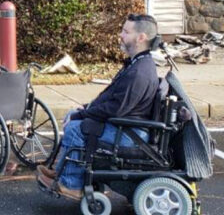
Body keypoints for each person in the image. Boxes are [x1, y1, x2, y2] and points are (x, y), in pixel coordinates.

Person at [36, 14, 161, 200]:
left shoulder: (139, 72)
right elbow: (111, 97)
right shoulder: (137, 64)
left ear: (141, 38)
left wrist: (83, 115)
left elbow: (116, 109)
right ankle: (63, 172)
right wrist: (85, 109)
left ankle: (71, 185)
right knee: (74, 116)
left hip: (131, 134)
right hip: (128, 125)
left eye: (126, 32)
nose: (121, 35)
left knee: (76, 129)